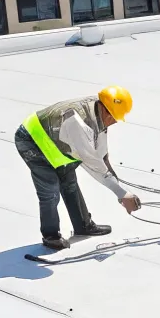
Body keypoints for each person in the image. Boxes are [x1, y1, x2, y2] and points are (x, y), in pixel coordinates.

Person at [16, 87, 142, 250]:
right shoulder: (78, 123)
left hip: (56, 141)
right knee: (50, 190)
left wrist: (118, 186)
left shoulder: (99, 111)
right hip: (31, 141)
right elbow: (92, 162)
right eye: (113, 117)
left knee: (69, 183)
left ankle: (83, 226)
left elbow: (101, 153)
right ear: (104, 109)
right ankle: (51, 236)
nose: (115, 121)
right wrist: (122, 194)